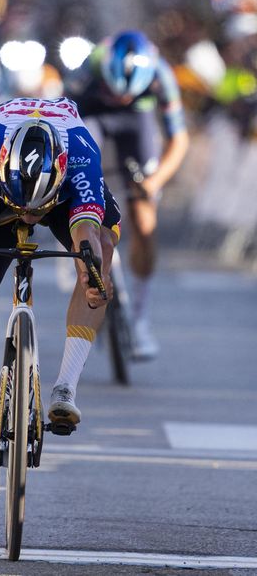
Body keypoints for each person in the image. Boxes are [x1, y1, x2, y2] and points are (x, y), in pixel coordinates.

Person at [0, 97, 119, 493]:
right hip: (0, 191)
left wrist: (92, 278)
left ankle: (65, 387)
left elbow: (85, 233)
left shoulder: (82, 155)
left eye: (37, 211)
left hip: (64, 187)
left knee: (100, 254)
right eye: (24, 210)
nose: (30, 218)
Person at [64, 30, 188, 359]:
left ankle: (140, 319)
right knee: (84, 184)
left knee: (144, 218)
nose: (120, 97)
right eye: (115, 92)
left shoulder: (161, 73)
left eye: (126, 94)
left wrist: (154, 182)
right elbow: (63, 129)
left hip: (137, 122)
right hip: (93, 116)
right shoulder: (86, 70)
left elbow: (179, 141)